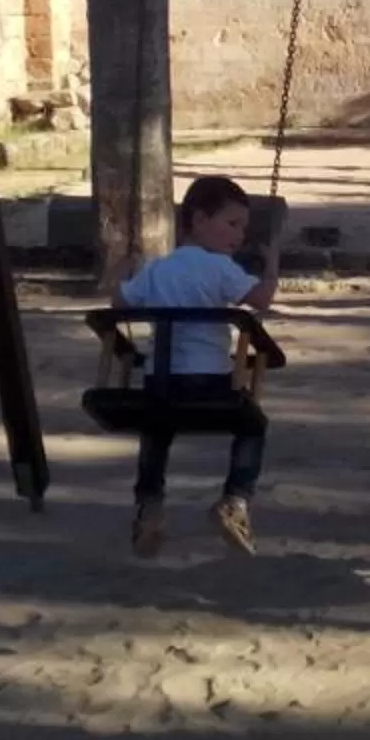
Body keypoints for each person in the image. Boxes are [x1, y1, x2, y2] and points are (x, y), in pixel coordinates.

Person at [116, 173, 282, 557]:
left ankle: (150, 505)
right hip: (210, 384)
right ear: (199, 220)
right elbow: (261, 300)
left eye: (243, 227)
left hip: (159, 384)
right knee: (252, 424)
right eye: (232, 224)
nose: (239, 236)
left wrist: (121, 271)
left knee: (156, 430)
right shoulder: (221, 268)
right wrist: (271, 266)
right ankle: (234, 501)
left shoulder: (158, 269)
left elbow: (117, 305)